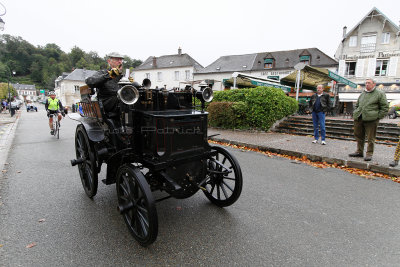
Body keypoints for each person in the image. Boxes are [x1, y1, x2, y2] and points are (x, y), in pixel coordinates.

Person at [349, 78, 389, 161]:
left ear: (374, 84)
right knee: (358, 135)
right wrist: (355, 112)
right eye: (366, 83)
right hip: (359, 117)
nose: (367, 84)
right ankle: (359, 151)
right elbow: (357, 104)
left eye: (369, 83)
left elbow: (385, 107)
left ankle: (369, 154)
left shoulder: (380, 93)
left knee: (371, 138)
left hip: (372, 119)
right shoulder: (363, 93)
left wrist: (378, 116)